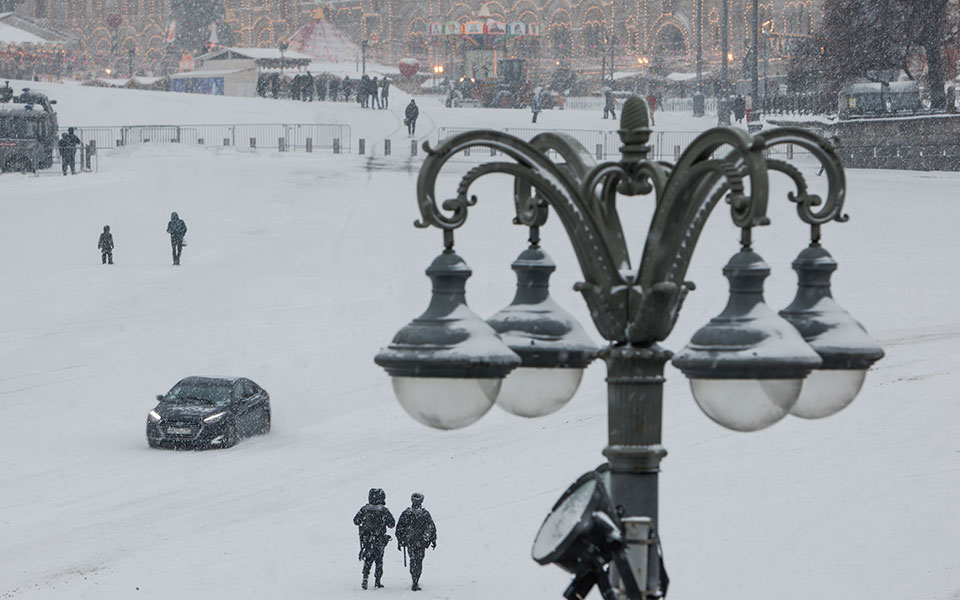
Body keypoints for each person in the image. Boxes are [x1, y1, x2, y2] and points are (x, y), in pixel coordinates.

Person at [354, 488, 395, 590]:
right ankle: (377, 581)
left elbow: (356, 521)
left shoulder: (364, 509)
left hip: (367, 538)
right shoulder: (384, 510)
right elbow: (392, 524)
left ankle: (365, 577)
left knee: (368, 558)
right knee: (379, 560)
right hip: (379, 539)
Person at [396, 492, 437, 592]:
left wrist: (400, 540)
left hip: (410, 541)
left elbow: (399, 528)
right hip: (421, 542)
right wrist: (432, 539)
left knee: (413, 560)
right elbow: (431, 528)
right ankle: (416, 580)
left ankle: (414, 579)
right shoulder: (425, 514)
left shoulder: (406, 513)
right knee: (418, 561)